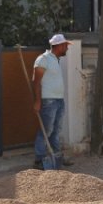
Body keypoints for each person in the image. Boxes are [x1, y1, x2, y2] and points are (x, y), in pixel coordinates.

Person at [32, 34, 71, 170]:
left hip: (59, 100)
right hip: (48, 100)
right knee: (46, 130)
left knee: (56, 130)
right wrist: (37, 101)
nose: (67, 48)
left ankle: (57, 156)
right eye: (65, 46)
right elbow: (36, 81)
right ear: (59, 46)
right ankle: (39, 159)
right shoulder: (43, 59)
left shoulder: (55, 60)